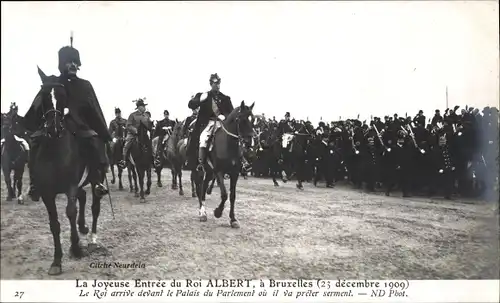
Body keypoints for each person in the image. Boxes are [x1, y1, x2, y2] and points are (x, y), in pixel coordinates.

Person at [23, 38, 111, 198]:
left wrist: (103, 132)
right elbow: (40, 101)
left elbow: (95, 109)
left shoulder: (85, 85)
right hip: (55, 123)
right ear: (62, 64)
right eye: (68, 61)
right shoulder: (54, 82)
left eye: (75, 62)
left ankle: (97, 180)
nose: (72, 65)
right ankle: (34, 183)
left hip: (80, 125)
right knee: (35, 142)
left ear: (78, 65)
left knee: (94, 142)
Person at [188, 73, 234, 171]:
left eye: (218, 83)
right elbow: (191, 105)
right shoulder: (204, 95)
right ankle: (200, 163)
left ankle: (238, 161)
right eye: (214, 83)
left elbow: (231, 113)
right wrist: (199, 100)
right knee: (203, 139)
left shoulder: (225, 98)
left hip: (222, 123)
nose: (217, 85)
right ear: (210, 84)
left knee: (232, 137)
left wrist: (224, 116)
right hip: (208, 123)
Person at [119, 99, 151, 168]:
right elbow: (128, 125)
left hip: (144, 134)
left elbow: (149, 125)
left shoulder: (146, 116)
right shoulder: (132, 115)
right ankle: (124, 160)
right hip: (133, 134)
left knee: (152, 144)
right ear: (139, 107)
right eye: (143, 106)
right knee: (126, 145)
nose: (145, 108)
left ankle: (154, 159)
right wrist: (135, 130)